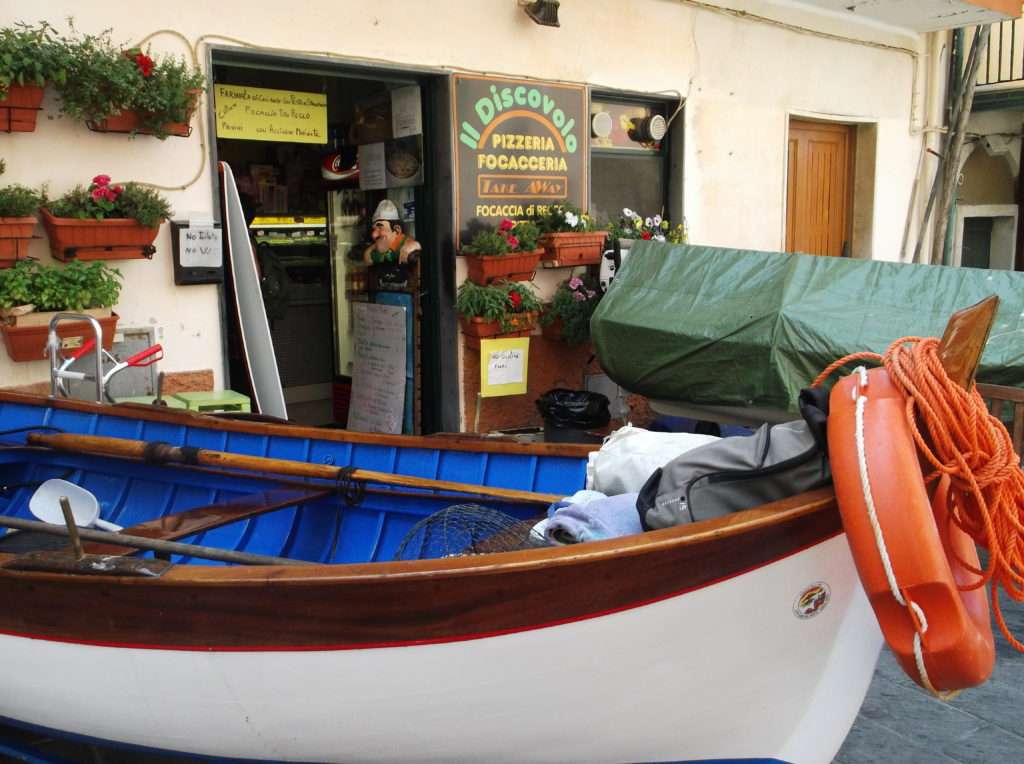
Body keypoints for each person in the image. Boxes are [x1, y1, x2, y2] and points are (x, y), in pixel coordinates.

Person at [363, 199, 421, 265]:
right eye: (374, 229)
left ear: (397, 229)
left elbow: (413, 245)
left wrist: (412, 245)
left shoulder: (404, 247)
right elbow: (369, 258)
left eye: (380, 227)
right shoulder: (377, 251)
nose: (374, 235)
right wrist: (369, 251)